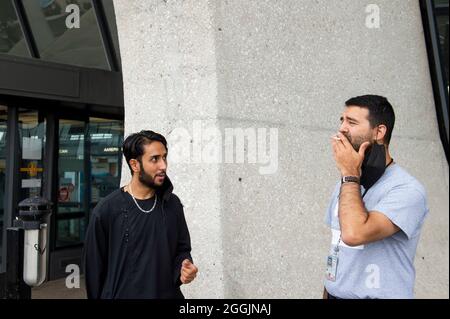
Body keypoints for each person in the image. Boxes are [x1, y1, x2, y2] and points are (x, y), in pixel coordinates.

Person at [323, 95, 429, 299]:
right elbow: (337, 249)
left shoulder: (407, 190)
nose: (342, 129)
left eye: (352, 122)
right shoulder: (346, 184)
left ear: (379, 132)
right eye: (342, 120)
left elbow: (354, 235)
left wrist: (349, 173)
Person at [83, 130, 198, 299]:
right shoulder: (107, 210)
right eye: (155, 159)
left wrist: (184, 268)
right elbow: (94, 270)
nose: (163, 166)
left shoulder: (172, 204)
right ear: (135, 165)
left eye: (164, 157)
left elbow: (182, 250)